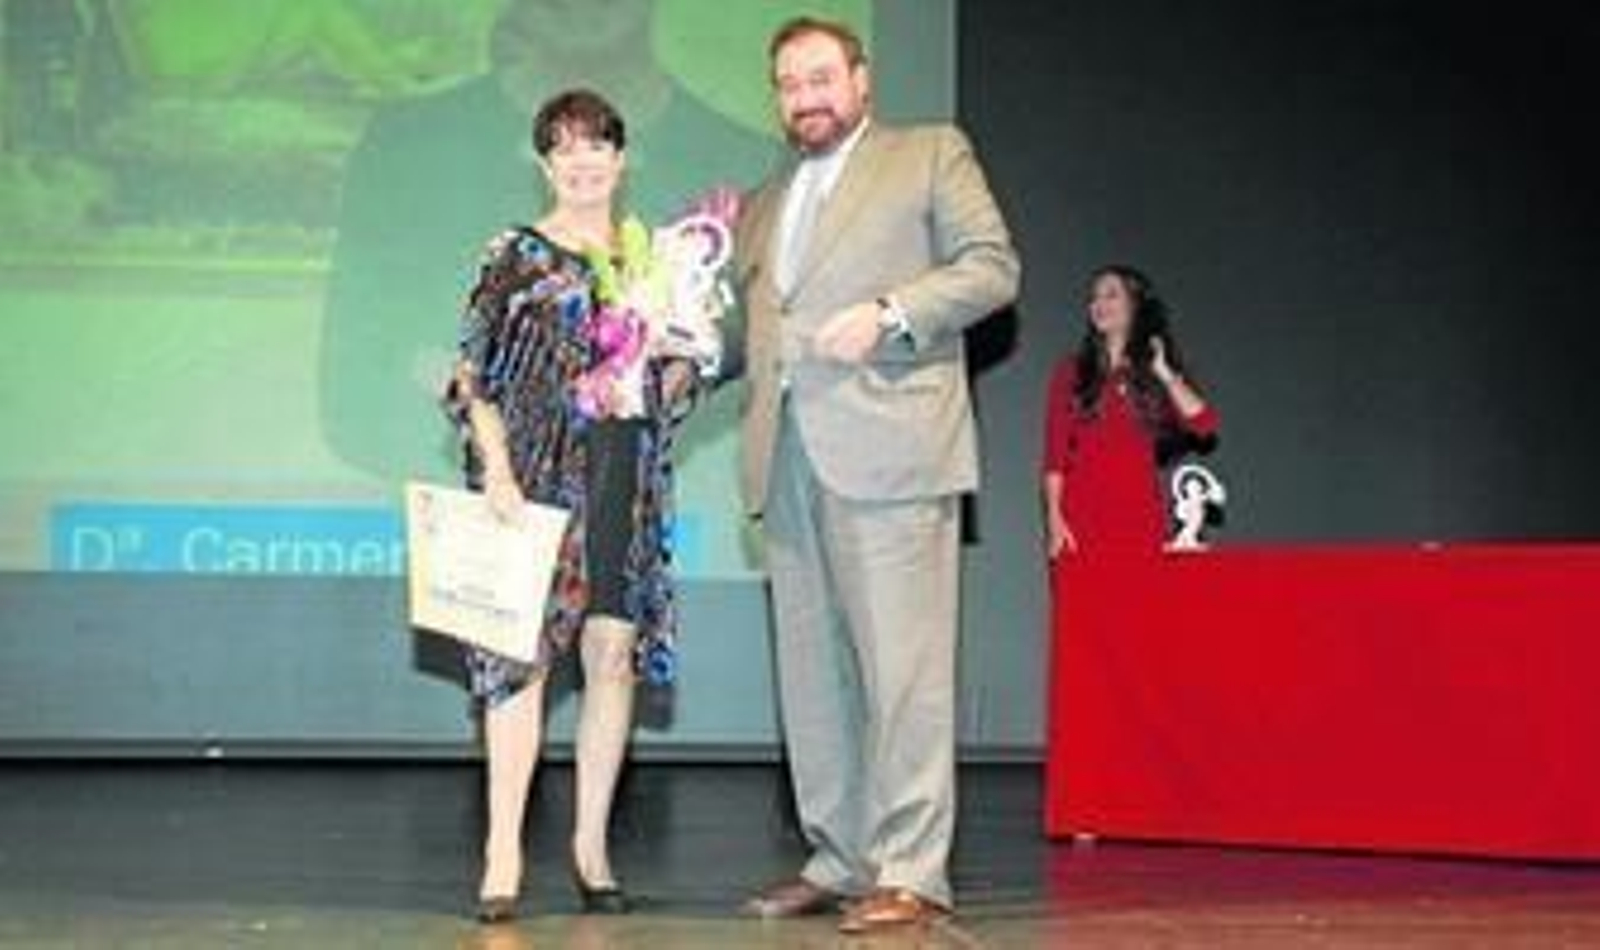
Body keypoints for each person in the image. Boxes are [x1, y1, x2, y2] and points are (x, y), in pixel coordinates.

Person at [723, 16, 1021, 934]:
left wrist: (891, 312)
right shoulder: (764, 201)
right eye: (788, 83)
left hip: (892, 450)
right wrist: (658, 354)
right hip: (789, 457)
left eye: (820, 77)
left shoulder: (930, 153)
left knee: (905, 674)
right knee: (813, 682)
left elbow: (992, 269)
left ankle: (912, 870)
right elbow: (747, 335)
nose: (804, 96)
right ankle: (841, 855)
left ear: (861, 80)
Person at [441, 89, 703, 924]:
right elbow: (471, 377)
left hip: (624, 475)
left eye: (599, 144)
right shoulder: (514, 253)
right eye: (566, 147)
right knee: (522, 662)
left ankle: (591, 846)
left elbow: (669, 381)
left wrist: (680, 366)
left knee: (612, 655)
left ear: (622, 159)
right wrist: (500, 472)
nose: (584, 160)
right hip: (534, 480)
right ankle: (503, 850)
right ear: (545, 163)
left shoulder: (651, 261)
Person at [1042, 265, 1220, 556]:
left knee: (1139, 602)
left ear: (1135, 306)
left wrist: (1165, 374)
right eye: (1094, 297)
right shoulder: (1070, 371)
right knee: (1085, 602)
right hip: (1080, 519)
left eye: (1111, 295)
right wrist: (1054, 519)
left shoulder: (1152, 373)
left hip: (1140, 519)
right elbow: (1054, 457)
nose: (1098, 304)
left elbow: (1205, 423)